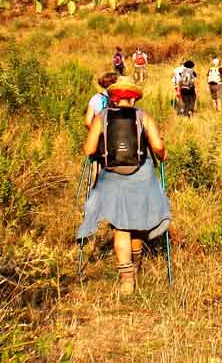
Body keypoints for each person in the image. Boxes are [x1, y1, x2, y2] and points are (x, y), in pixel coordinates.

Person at [78, 81, 170, 295]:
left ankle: (126, 279)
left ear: (114, 98)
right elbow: (157, 147)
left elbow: (89, 149)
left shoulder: (102, 118)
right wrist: (163, 154)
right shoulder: (143, 116)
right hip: (141, 175)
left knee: (120, 227)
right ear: (134, 98)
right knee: (137, 222)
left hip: (112, 175)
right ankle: (136, 263)